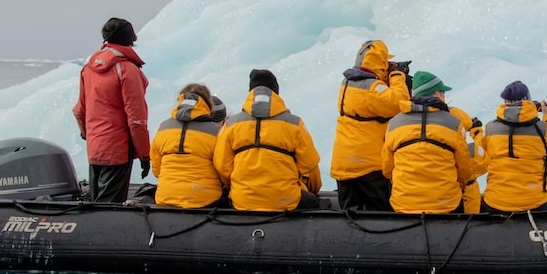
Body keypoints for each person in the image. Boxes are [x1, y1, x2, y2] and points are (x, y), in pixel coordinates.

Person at [214, 69, 322, 212]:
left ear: (251, 92)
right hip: (285, 200)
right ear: (276, 92)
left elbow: (222, 165)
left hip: (243, 200)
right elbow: (309, 165)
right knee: (314, 202)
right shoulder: (295, 124)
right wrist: (309, 189)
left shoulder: (231, 124)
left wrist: (237, 188)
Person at [73, 17, 150, 203]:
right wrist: (144, 154)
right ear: (131, 40)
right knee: (110, 208)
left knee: (95, 204)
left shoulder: (88, 68)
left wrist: (88, 134)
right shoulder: (127, 70)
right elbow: (136, 119)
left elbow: (79, 110)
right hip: (117, 149)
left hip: (95, 146)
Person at [330, 39, 410, 211]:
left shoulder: (347, 83)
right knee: (381, 216)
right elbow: (399, 103)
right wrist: (397, 75)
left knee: (350, 216)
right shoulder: (372, 87)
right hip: (368, 166)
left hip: (343, 165)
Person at [381, 71, 474, 214]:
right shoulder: (454, 123)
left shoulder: (394, 124)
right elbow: (465, 170)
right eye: (442, 92)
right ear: (436, 93)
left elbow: (387, 168)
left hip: (404, 203)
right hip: (445, 204)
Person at [480, 80, 547, 212]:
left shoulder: (489, 128)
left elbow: (479, 157)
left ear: (505, 102)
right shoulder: (543, 129)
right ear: (528, 100)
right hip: (536, 202)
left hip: (496, 201)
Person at [150, 84, 227, 208]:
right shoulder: (217, 131)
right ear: (207, 103)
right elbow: (223, 168)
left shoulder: (163, 127)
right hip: (205, 199)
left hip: (165, 196)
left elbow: (156, 169)